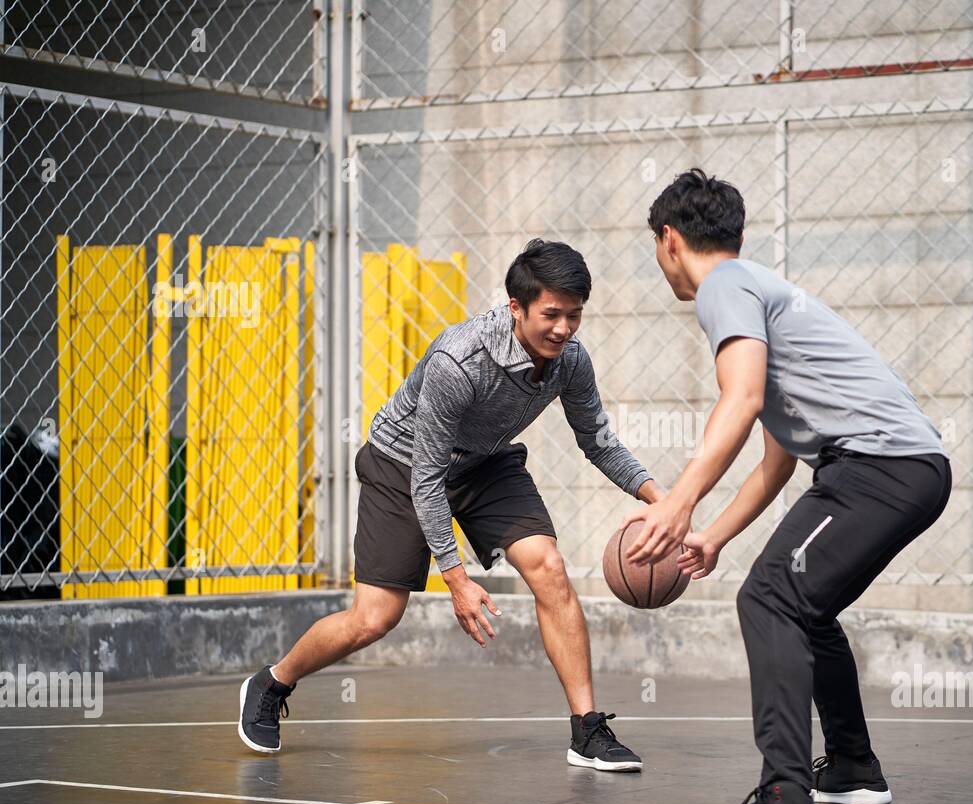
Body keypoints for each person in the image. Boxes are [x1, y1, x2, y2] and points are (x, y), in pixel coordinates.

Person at [239, 239, 663, 772]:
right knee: (375, 618)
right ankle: (273, 681)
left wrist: (661, 500)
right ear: (516, 307)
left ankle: (587, 730)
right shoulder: (458, 361)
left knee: (549, 567)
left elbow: (598, 441)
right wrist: (456, 578)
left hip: (485, 461)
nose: (563, 328)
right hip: (403, 465)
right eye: (551, 315)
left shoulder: (570, 361)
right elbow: (426, 477)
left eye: (573, 316)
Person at [626, 169, 951, 804]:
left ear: (668, 239)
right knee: (803, 606)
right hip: (903, 469)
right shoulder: (765, 295)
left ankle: (785, 802)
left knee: (769, 601)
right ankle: (854, 770)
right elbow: (776, 458)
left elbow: (739, 402)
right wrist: (713, 534)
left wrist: (680, 503)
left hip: (878, 468)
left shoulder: (724, 288)